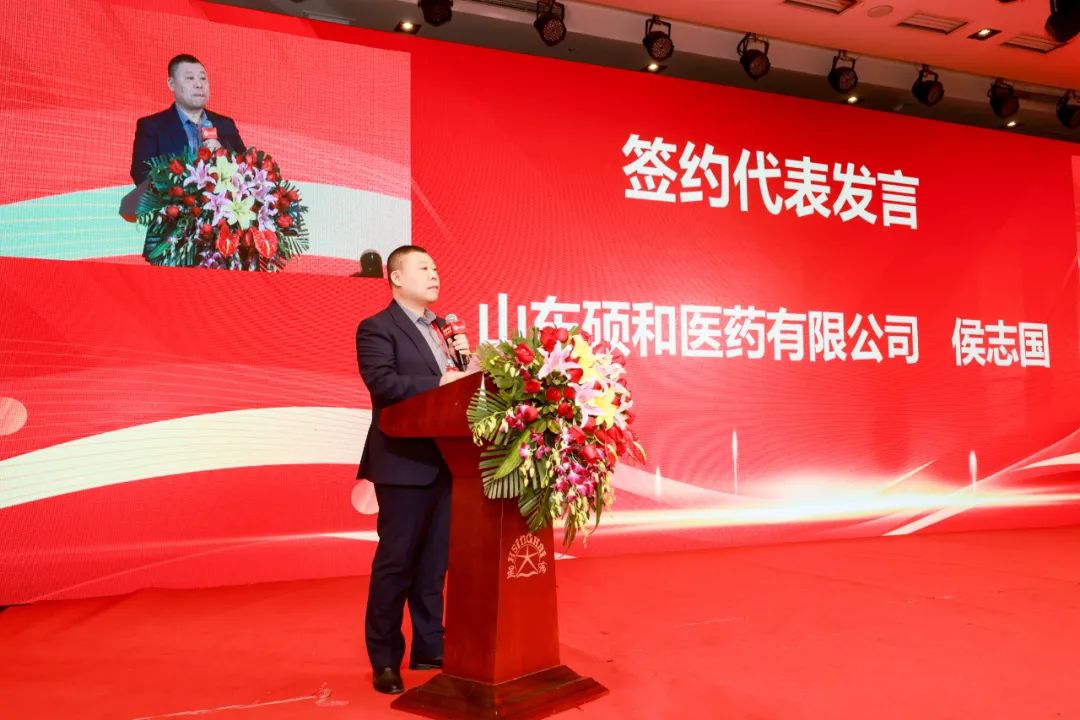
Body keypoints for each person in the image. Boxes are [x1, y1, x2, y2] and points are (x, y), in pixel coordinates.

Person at [355, 245, 471, 695]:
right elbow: (383, 383)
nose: (434, 273)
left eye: (436, 267)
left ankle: (429, 645)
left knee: (434, 563)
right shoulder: (377, 328)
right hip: (403, 463)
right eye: (424, 267)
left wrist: (469, 368)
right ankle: (385, 658)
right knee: (397, 561)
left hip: (447, 460)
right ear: (396, 277)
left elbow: (457, 389)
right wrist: (441, 381)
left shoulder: (443, 331)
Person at [129, 54, 245, 186]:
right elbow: (141, 174)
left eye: (203, 78)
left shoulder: (225, 124)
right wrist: (182, 193)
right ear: (172, 84)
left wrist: (224, 153)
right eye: (190, 78)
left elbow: (247, 169)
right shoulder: (152, 126)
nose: (199, 84)